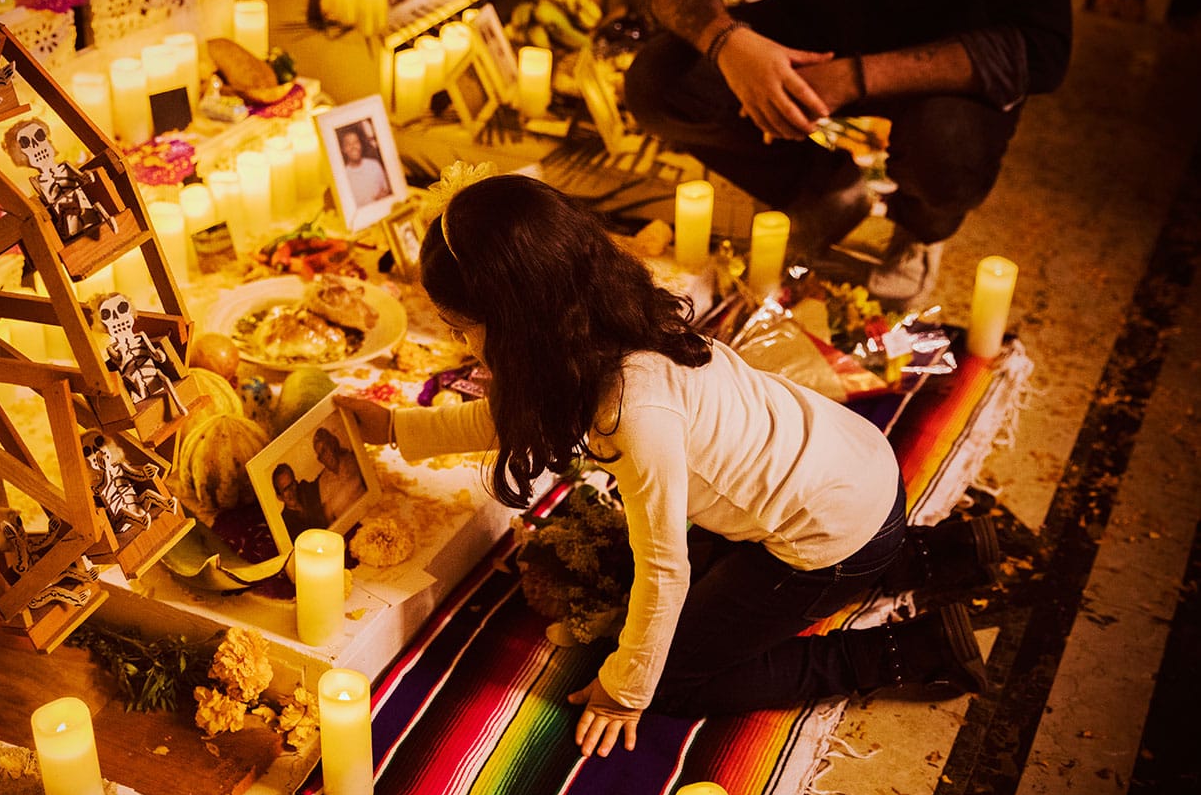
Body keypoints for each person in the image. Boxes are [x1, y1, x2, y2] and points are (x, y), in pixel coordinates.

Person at [336, 174, 998, 759]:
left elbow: (663, 567)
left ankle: (900, 651)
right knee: (686, 600)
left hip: (830, 534)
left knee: (673, 677)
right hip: (855, 463)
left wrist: (626, 690)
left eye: (463, 327)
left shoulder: (633, 410)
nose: (460, 342)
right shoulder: (603, 316)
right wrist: (396, 429)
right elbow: (527, 415)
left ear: (518, 326)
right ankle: (936, 555)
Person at [622, 0, 1072, 310]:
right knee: (661, 83)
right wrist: (728, 43)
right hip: (814, 26)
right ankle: (824, 190)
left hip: (948, 58)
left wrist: (856, 77)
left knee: (950, 149)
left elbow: (1041, 48)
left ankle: (920, 228)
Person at [313, 428, 364, 523]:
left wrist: (334, 502)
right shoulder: (323, 481)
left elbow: (364, 481)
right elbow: (329, 516)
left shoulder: (350, 459)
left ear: (331, 444)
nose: (325, 457)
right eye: (320, 456)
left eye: (324, 450)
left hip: (367, 511)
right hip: (348, 524)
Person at [338, 126, 391, 207]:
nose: (353, 147)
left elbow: (387, 190)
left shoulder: (374, 165)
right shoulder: (343, 177)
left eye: (356, 142)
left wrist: (383, 195)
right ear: (343, 149)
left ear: (360, 145)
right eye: (348, 144)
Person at [273, 463, 326, 541]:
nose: (291, 491)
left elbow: (321, 480)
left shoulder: (306, 491)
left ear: (296, 482)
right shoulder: (285, 524)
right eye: (285, 489)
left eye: (291, 484)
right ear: (279, 496)